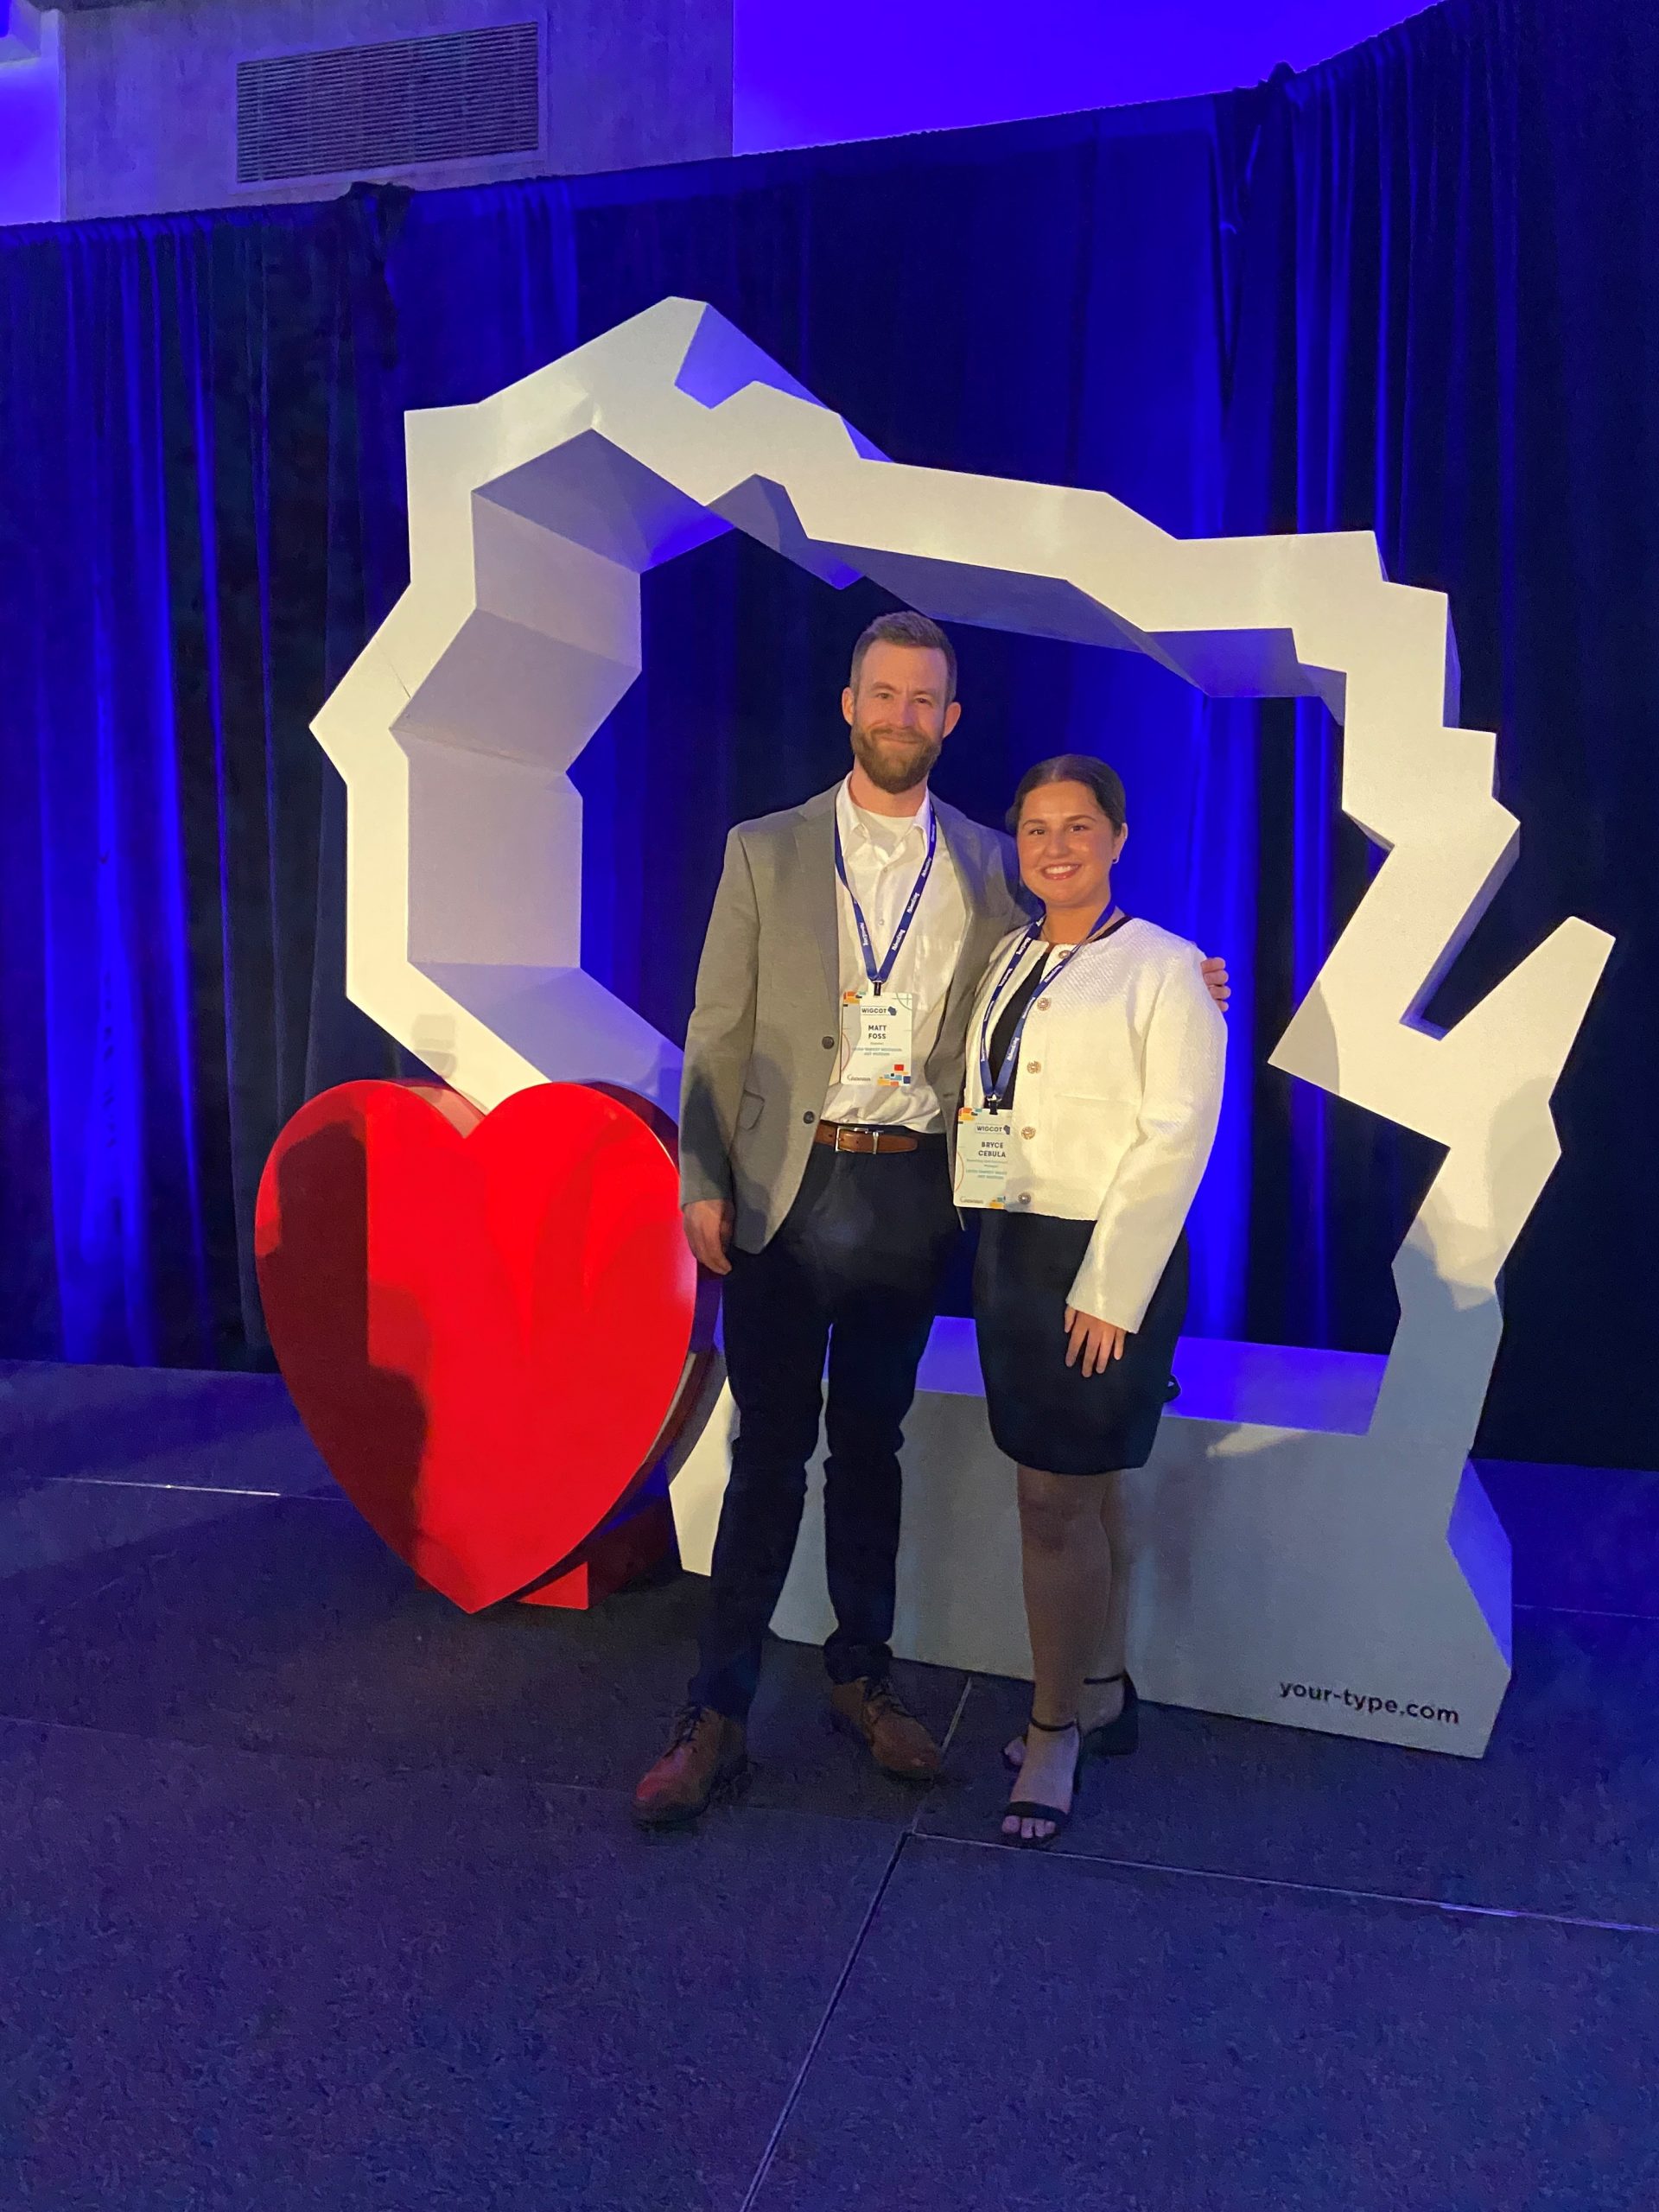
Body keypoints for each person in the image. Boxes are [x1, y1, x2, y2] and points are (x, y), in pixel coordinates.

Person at [632, 615, 1229, 1829]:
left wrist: (1189, 973)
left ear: (950, 721)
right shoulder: (765, 850)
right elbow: (716, 1030)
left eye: (926, 702)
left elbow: (1076, 964)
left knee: (871, 1451)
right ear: (850, 704)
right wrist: (701, 1177)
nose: (904, 716)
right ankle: (718, 1710)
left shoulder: (990, 861)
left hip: (915, 1189)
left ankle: (862, 1678)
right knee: (764, 1456)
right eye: (885, 695)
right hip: (781, 1195)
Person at [957, 753, 1226, 1846]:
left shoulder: (1165, 968)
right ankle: (1104, 1683)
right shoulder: (1011, 956)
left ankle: (1054, 1724)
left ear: (1118, 837)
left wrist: (1111, 1287)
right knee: (1087, 1488)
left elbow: (1177, 1137)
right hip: (1011, 1247)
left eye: (1077, 826)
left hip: (1105, 1260)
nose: (1055, 846)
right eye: (1034, 829)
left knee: (1051, 1503)